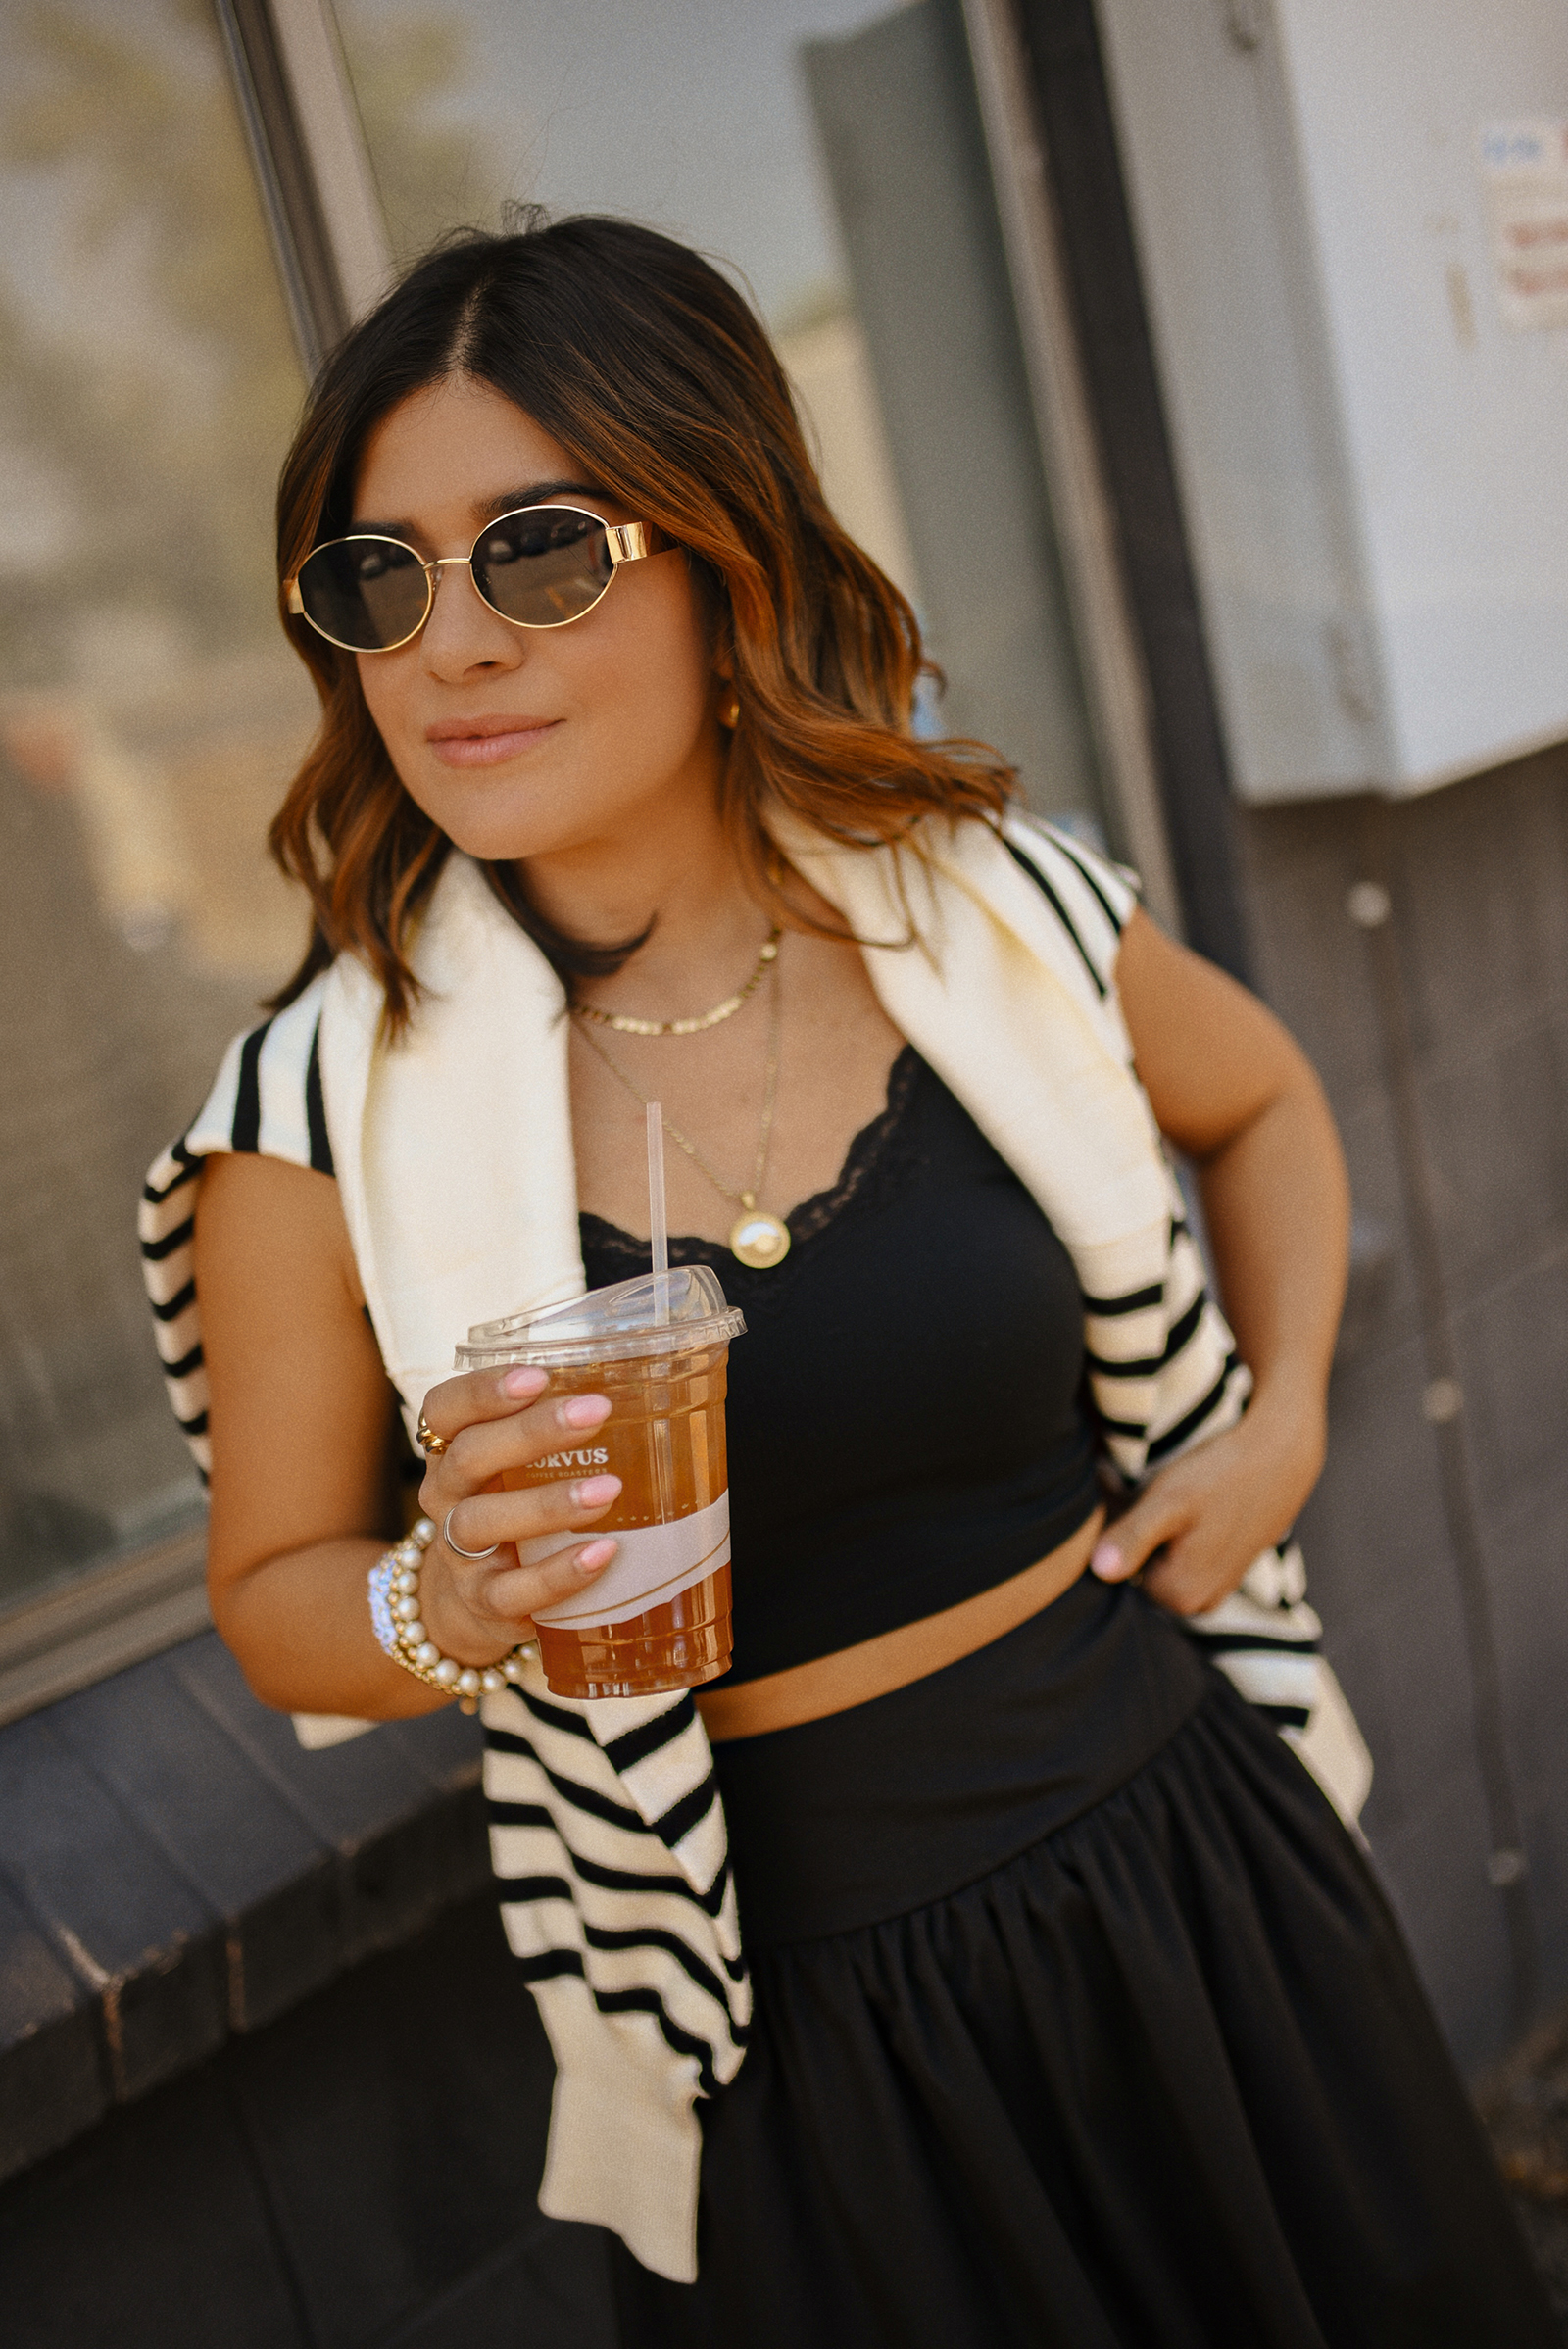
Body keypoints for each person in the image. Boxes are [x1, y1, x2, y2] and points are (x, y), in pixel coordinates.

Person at [147, 217, 1555, 2345]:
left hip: (1192, 1874)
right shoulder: (318, 1106)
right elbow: (277, 1599)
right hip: (783, 2047)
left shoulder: (978, 908)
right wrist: (447, 1597)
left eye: (534, 552)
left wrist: (1281, 1421)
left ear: (724, 558)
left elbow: (1262, 1101)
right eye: (375, 578)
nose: (446, 645)